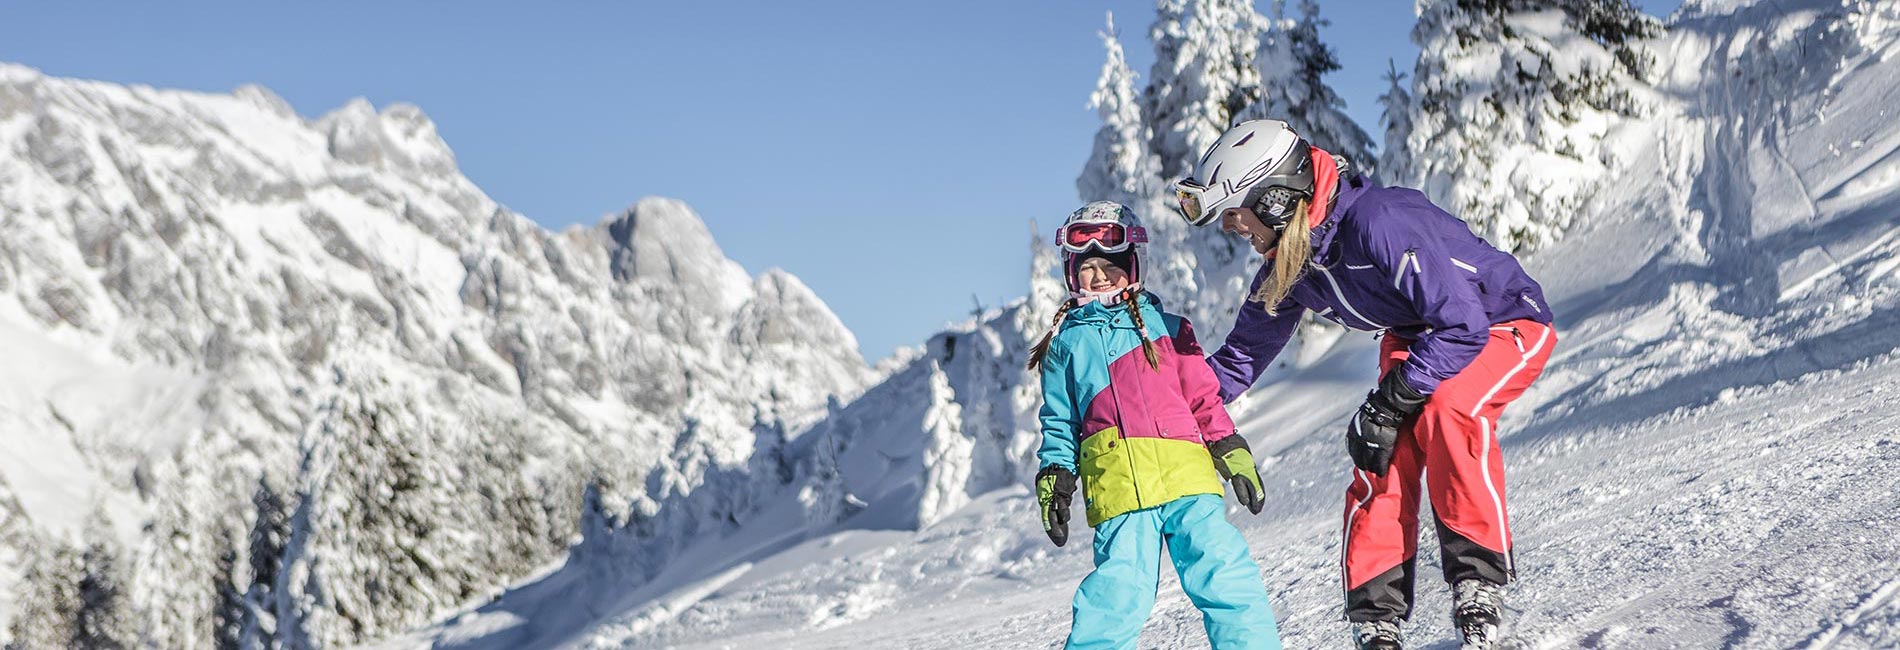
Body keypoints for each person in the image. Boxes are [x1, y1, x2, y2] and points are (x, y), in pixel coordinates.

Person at [1172, 120, 1557, 650]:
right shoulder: (1293, 264)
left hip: (1500, 321)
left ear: (1276, 199)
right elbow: (1239, 359)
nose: (1234, 231)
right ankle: (1378, 619)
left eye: (1237, 216)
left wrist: (1394, 395)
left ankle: (1477, 584)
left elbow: (1462, 324)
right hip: (1420, 337)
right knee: (1381, 447)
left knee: (1447, 408)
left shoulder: (1379, 221)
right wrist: (1165, 409)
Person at [1031, 201, 1285, 650]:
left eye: (1109, 263)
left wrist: (1229, 446)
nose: (1098, 275)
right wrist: (1055, 473)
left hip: (1186, 476)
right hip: (1119, 487)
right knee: (1115, 595)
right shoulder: (1064, 345)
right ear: (1071, 273)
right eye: (1086, 266)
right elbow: (1059, 421)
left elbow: (1202, 397)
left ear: (1133, 265)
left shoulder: (1169, 329)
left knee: (1223, 574)